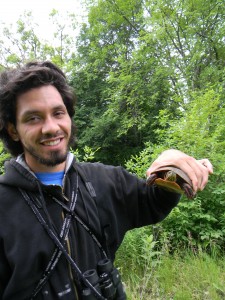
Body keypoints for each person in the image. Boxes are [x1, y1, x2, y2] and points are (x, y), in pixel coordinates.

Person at [0, 61, 213, 300]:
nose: (51, 127)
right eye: (33, 118)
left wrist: (171, 165)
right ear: (13, 130)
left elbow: (153, 201)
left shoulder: (103, 180)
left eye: (58, 113)